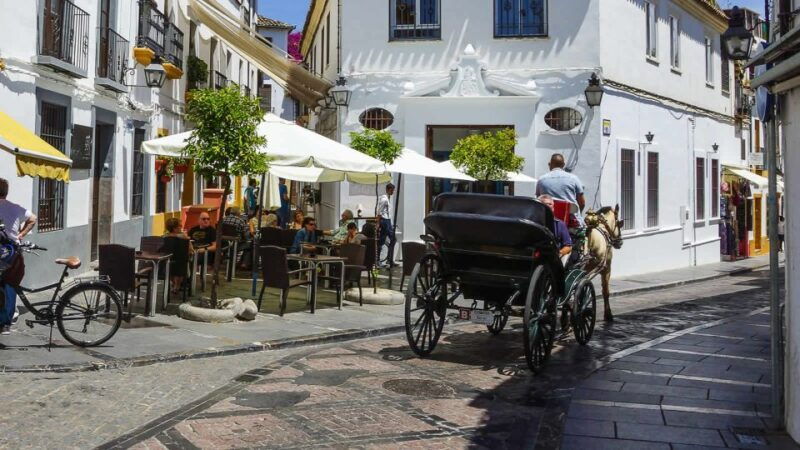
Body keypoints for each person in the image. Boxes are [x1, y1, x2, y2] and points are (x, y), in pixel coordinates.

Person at [0, 178, 37, 335]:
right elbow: (33, 218)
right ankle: (5, 323)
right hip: (12, 253)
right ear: (6, 192)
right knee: (10, 285)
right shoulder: (15, 207)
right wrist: (21, 234)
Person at [538, 195, 573, 262]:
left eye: (550, 204)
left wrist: (559, 253)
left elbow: (568, 246)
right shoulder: (532, 222)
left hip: (553, 257)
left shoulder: (560, 224)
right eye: (545, 204)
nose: (548, 206)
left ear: (553, 208)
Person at [163, 217, 193, 294]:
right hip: (181, 266)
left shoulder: (164, 237)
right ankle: (177, 285)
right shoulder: (184, 238)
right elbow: (191, 250)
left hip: (167, 265)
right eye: (180, 225)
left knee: (173, 264)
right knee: (182, 262)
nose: (181, 227)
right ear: (174, 228)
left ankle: (174, 284)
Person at [377, 183, 397, 267]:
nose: (393, 192)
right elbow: (379, 212)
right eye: (392, 190)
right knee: (383, 240)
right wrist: (378, 223)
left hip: (387, 221)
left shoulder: (387, 198)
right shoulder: (384, 199)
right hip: (384, 221)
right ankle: (381, 260)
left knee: (390, 239)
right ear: (388, 190)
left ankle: (389, 259)